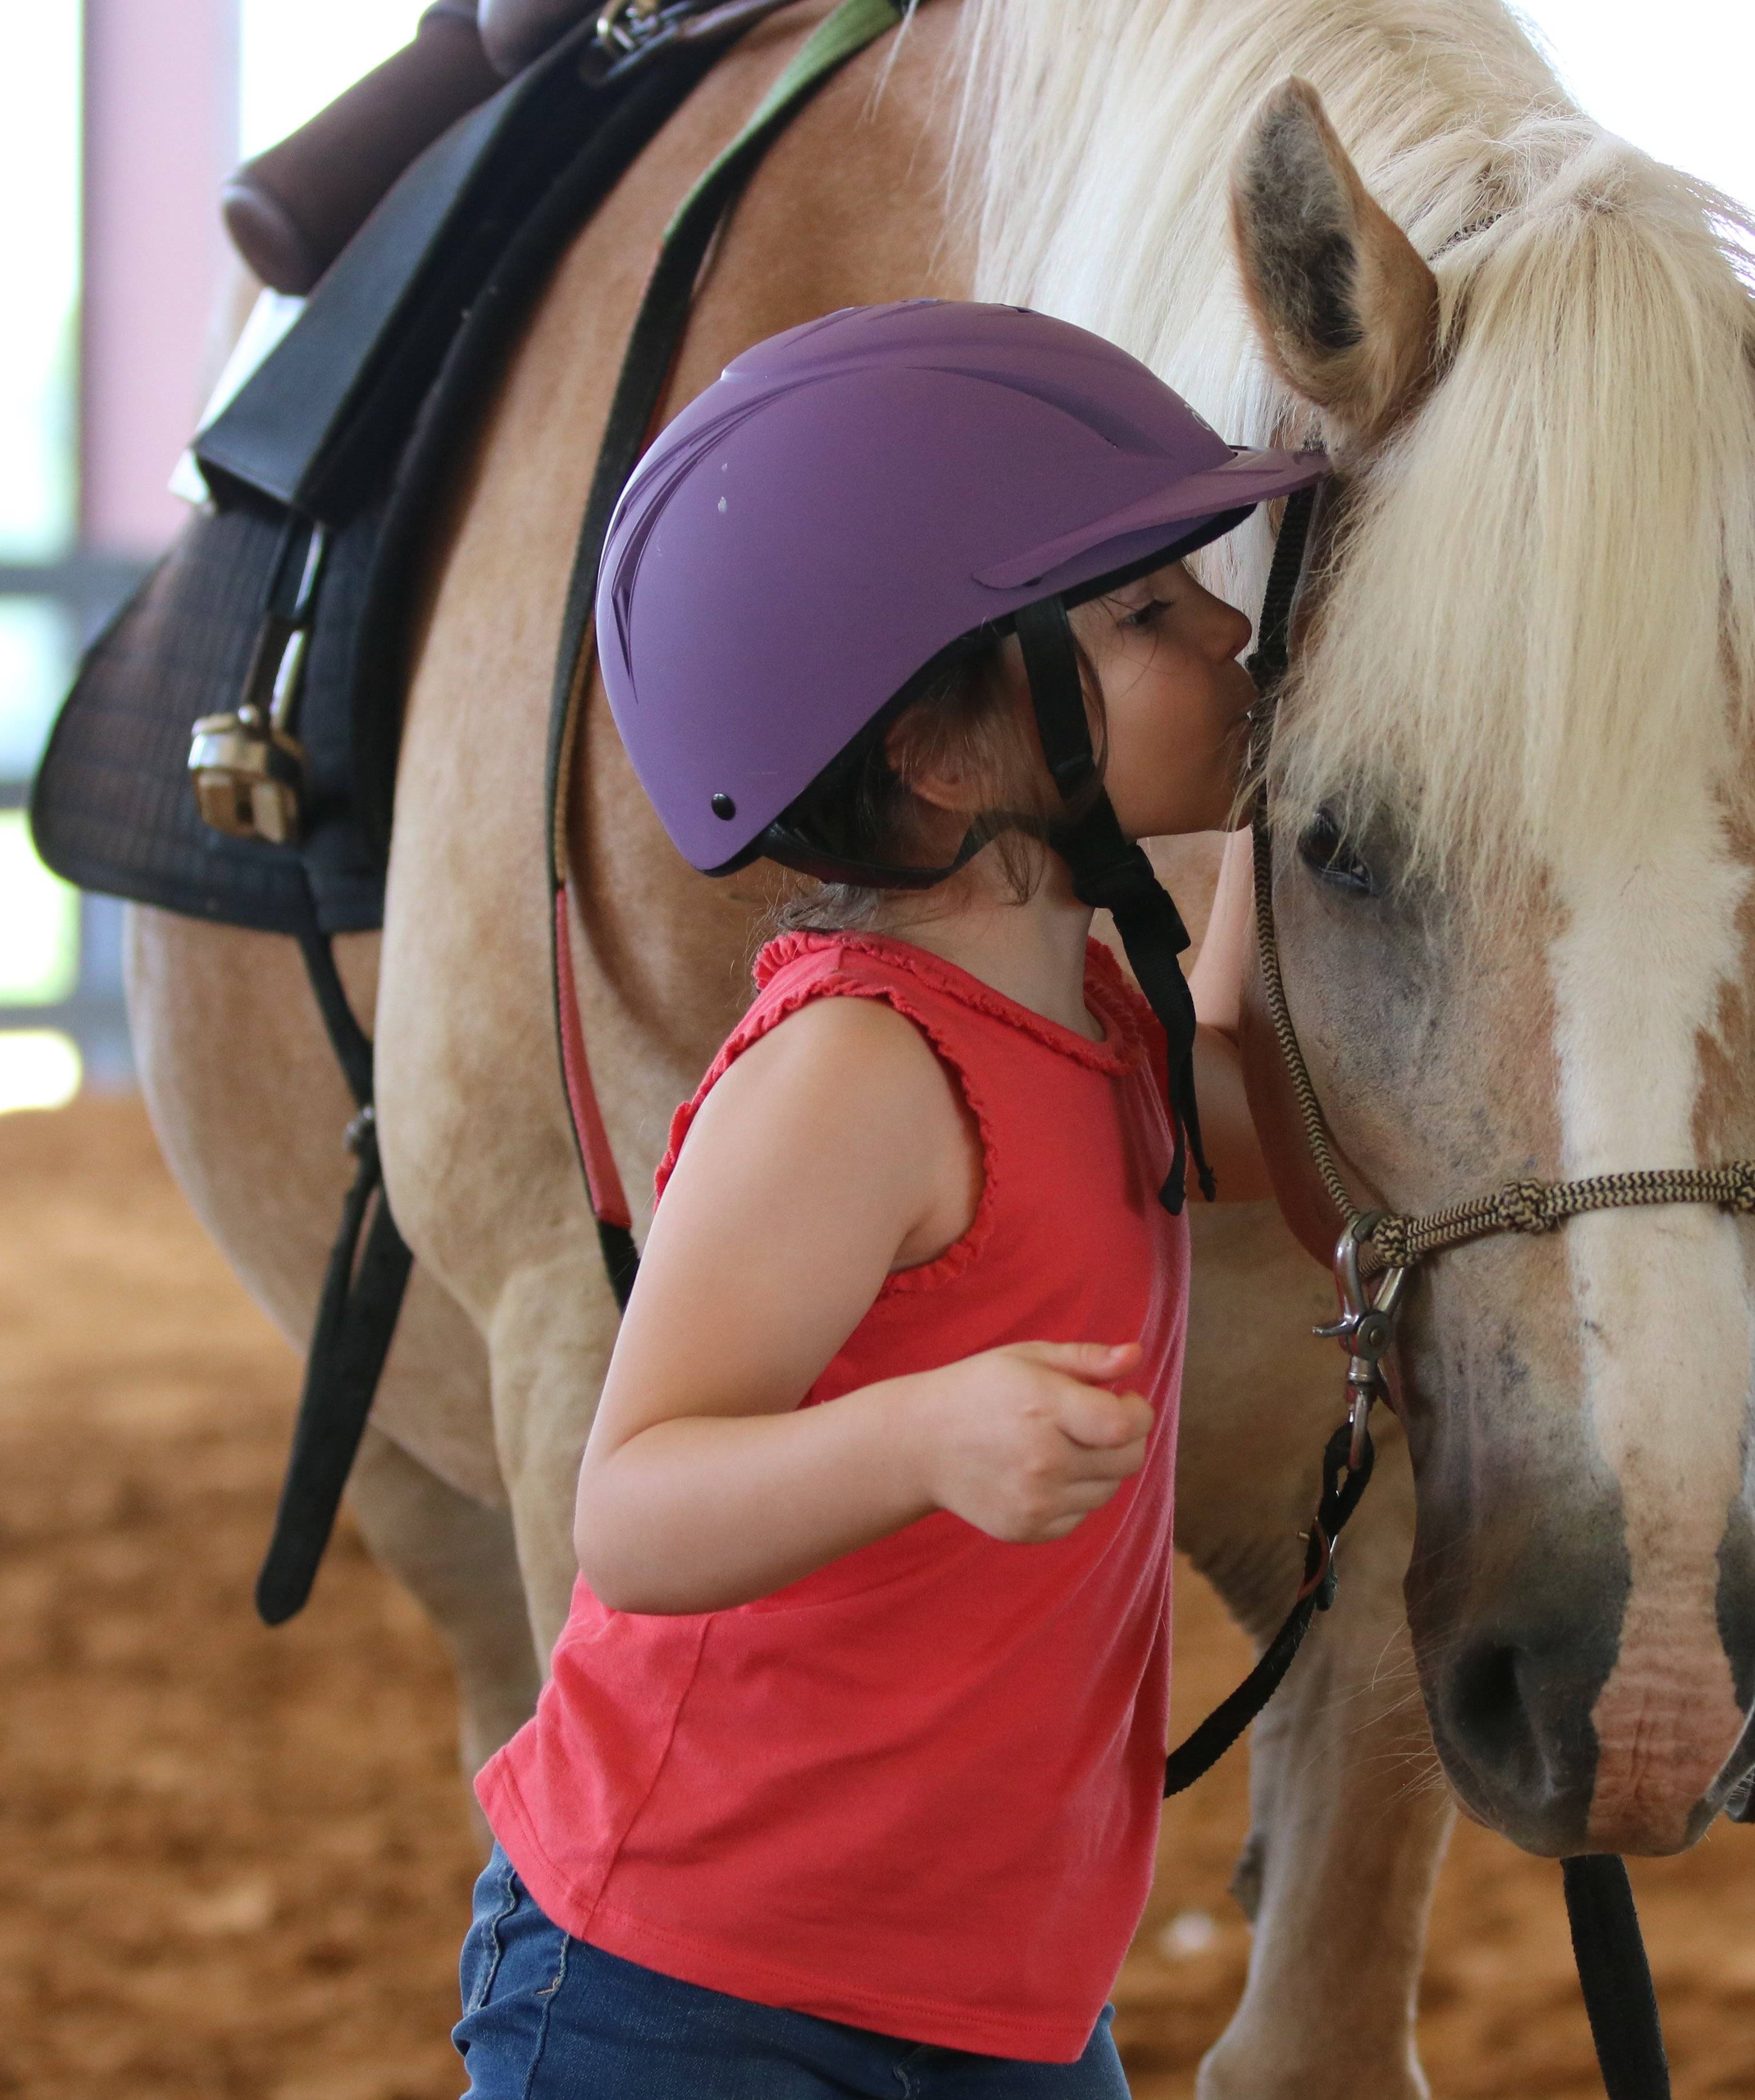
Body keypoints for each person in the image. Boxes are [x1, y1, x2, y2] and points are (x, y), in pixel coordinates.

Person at [453, 299, 1328, 2097]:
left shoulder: (1097, 1021)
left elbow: (1299, 1150)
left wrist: (1294, 803)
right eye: (1154, 615)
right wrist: (920, 1439)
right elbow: (629, 1509)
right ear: (944, 749)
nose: (1233, 635)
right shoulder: (857, 1075)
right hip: (692, 1987)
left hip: (995, 1998)